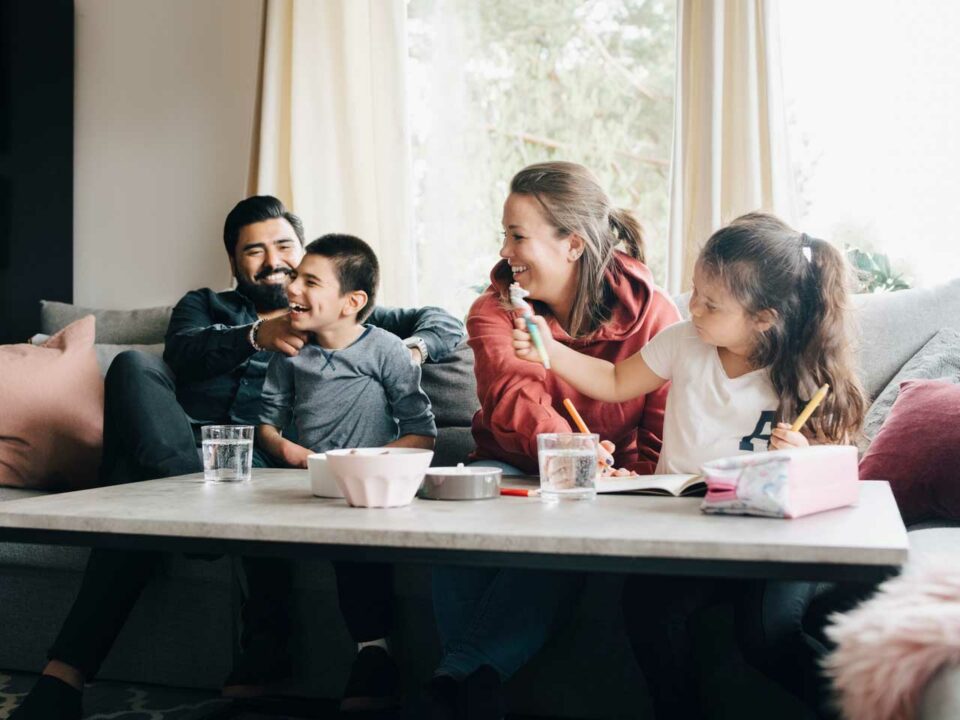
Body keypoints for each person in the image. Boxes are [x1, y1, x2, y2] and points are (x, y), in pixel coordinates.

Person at [11, 196, 465, 720]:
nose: (273, 259)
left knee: (137, 497)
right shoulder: (205, 307)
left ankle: (64, 675)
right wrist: (256, 334)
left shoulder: (339, 310)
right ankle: (184, 500)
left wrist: (409, 352)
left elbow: (443, 321)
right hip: (181, 451)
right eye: (254, 250)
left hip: (269, 463)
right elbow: (183, 353)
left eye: (285, 246)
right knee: (135, 368)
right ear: (234, 262)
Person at [513, 211, 867, 718]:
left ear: (764, 316)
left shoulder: (804, 368)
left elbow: (839, 469)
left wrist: (803, 460)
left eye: (711, 303)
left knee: (765, 634)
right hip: (692, 529)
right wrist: (549, 352)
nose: (692, 306)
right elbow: (615, 382)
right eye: (694, 291)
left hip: (774, 541)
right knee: (648, 611)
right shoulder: (685, 340)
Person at [428, 161, 682, 719]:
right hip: (509, 466)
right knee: (451, 530)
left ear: (572, 245)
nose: (506, 250)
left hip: (615, 484)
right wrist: (572, 453)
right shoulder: (492, 309)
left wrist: (634, 482)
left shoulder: (657, 314)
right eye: (504, 234)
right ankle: (473, 681)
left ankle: (460, 682)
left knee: (558, 524)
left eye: (518, 236)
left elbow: (663, 424)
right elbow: (513, 399)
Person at [255, 233, 437, 710]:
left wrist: (369, 466)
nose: (292, 288)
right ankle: (259, 655)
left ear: (351, 302)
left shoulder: (387, 350)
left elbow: (422, 432)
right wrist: (289, 452)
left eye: (309, 281)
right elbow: (267, 424)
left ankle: (373, 656)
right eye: (296, 277)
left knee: (353, 540)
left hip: (368, 486)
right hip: (308, 477)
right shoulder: (291, 351)